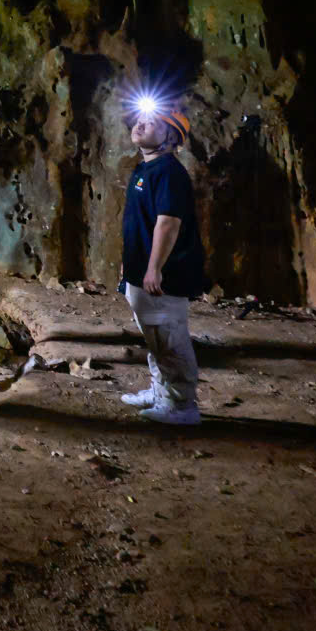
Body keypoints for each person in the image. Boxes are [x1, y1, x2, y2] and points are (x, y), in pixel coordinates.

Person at [120, 98, 208, 426]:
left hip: (164, 276)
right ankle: (162, 390)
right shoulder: (145, 169)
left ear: (170, 136)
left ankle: (181, 405)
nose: (139, 125)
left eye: (151, 122)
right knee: (155, 336)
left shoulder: (169, 172)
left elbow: (168, 222)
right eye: (139, 120)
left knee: (169, 336)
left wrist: (154, 267)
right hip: (143, 273)